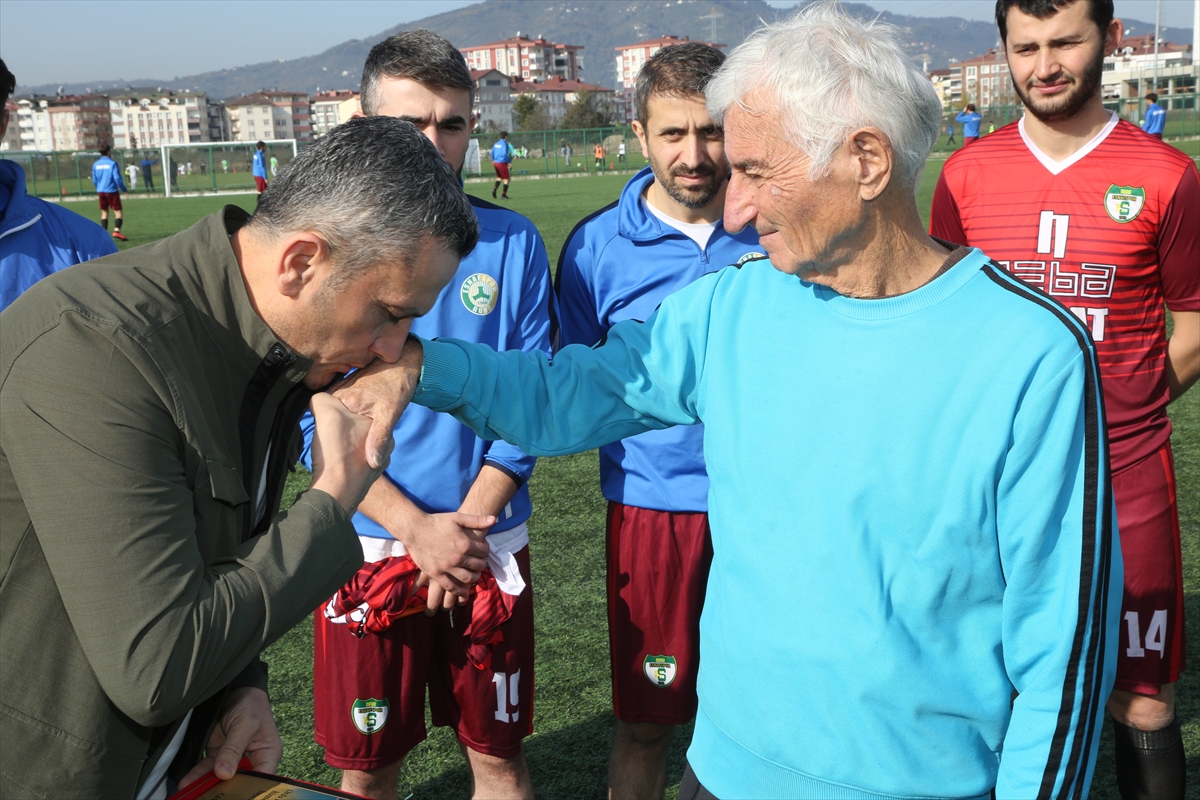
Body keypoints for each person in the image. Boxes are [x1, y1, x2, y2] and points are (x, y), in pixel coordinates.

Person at [338, 5, 1123, 798]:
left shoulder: (1029, 351)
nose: (736, 207)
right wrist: (423, 365)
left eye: (756, 170)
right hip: (720, 776)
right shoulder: (733, 307)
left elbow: (1063, 649)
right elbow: (564, 397)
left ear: (868, 162)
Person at [0, 116, 479, 800]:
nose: (390, 349)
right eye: (388, 313)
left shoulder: (268, 347)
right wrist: (334, 498)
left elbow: (207, 556)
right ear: (301, 263)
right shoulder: (95, 350)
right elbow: (157, 667)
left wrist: (239, 684)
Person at [930, 1, 1199, 797]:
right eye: (1027, 47)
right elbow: (942, 320)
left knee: (1143, 699)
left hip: (1126, 477)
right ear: (1005, 51)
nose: (1045, 64)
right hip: (994, 481)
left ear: (1111, 40)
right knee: (994, 687)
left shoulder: (1167, 176)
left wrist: (1129, 404)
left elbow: (1193, 322)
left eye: (1066, 42)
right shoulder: (965, 175)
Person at [308, 30, 554, 800]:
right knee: (366, 769)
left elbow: (531, 400)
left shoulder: (511, 243)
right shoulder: (323, 250)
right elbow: (305, 422)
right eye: (412, 122)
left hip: (486, 545)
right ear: (362, 121)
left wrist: (465, 532)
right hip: (368, 544)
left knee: (499, 762)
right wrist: (416, 531)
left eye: (451, 124)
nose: (433, 142)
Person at [556, 42, 761, 800]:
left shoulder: (778, 227)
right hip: (654, 512)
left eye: (711, 131)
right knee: (646, 723)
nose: (696, 153)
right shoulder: (593, 249)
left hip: (769, 507)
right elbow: (574, 385)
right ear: (639, 136)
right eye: (673, 133)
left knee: (762, 721)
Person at [0, 57, 116, 312]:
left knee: (106, 212)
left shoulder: (85, 250)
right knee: (113, 210)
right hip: (109, 190)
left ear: (3, 124)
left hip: (102, 193)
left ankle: (114, 227)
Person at [91, 143, 128, 241]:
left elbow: (94, 179)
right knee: (118, 212)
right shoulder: (112, 163)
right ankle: (116, 231)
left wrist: (98, 187)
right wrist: (124, 189)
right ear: (108, 152)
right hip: (111, 191)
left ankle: (103, 235)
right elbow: (117, 178)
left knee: (104, 212)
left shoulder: (96, 164)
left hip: (101, 191)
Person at [490, 130, 514, 199]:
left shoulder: (496, 144)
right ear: (506, 137)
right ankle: (503, 195)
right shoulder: (504, 144)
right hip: (501, 162)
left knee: (500, 177)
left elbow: (491, 153)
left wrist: (493, 159)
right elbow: (504, 154)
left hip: (496, 163)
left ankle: (494, 190)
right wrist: (509, 162)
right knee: (507, 178)